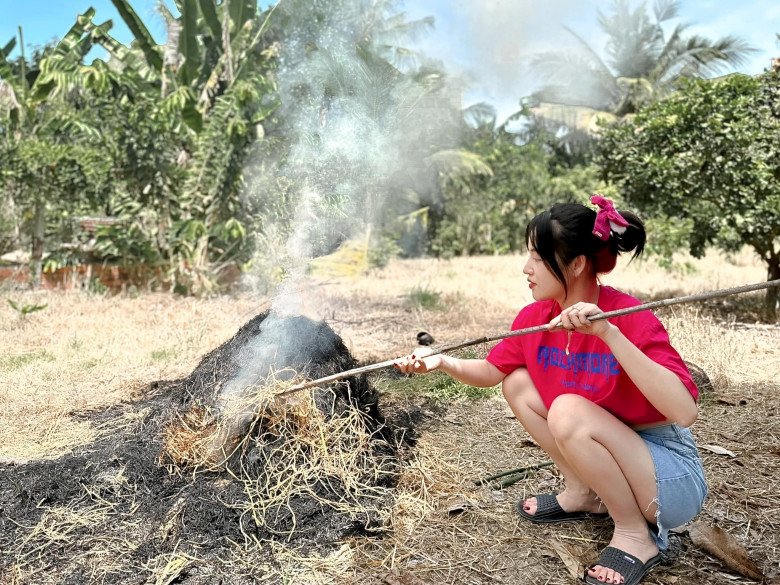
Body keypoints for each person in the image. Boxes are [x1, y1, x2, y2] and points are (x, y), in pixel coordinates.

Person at [395, 195, 708, 585]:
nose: (526, 268)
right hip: (618, 451)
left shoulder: (627, 316)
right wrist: (441, 360)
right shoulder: (536, 319)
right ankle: (584, 493)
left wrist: (608, 333)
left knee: (567, 410)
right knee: (518, 382)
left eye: (537, 257)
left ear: (576, 264)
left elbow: (685, 412)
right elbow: (493, 370)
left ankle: (634, 535)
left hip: (668, 478)